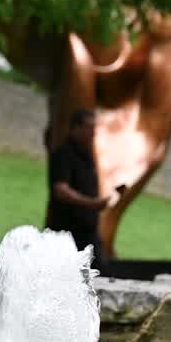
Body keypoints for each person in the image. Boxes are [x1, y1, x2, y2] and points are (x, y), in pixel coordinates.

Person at [45, 109, 119, 264]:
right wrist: (91, 204)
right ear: (76, 128)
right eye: (89, 128)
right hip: (67, 231)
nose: (93, 133)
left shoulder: (87, 157)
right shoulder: (63, 155)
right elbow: (61, 190)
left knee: (99, 273)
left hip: (87, 230)